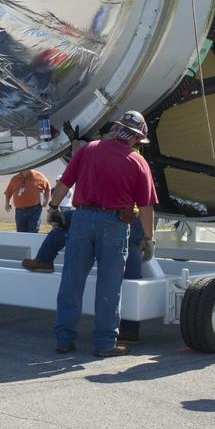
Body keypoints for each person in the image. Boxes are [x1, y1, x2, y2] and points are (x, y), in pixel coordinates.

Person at [48, 110, 157, 357]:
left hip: (82, 220)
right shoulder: (137, 161)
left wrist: (53, 208)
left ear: (116, 129)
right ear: (136, 138)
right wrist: (149, 238)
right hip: (115, 225)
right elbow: (147, 206)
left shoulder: (89, 149)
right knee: (109, 285)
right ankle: (105, 344)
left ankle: (64, 339)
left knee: (71, 281)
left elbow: (65, 182)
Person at [22, 177, 73, 272]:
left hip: (88, 212)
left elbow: (65, 183)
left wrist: (53, 209)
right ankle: (44, 260)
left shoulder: (84, 163)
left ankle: (44, 260)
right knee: (62, 222)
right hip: (104, 212)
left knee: (61, 224)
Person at [4, 168, 51, 233]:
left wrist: (46, 201)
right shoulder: (15, 178)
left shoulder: (39, 176)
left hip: (34, 210)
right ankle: (21, 243)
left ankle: (32, 243)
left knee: (33, 231)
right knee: (20, 232)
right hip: (19, 211)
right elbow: (8, 192)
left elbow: (48, 189)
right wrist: (7, 203)